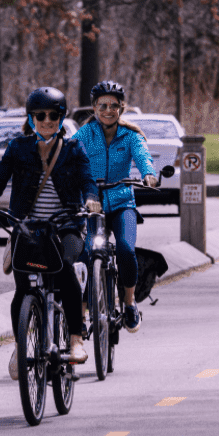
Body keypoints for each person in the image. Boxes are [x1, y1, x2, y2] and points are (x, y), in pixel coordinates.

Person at [0, 87, 99, 379]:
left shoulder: (73, 149)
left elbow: (87, 180)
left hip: (65, 225)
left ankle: (76, 340)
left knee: (65, 268)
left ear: (61, 118)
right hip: (27, 228)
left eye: (53, 116)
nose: (46, 121)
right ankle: (20, 344)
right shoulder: (18, 148)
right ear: (30, 118)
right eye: (39, 116)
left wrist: (91, 199)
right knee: (24, 289)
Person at [73, 80, 157, 333]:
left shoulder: (131, 135)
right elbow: (70, 157)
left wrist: (149, 174)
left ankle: (129, 304)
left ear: (122, 107)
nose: (108, 110)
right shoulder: (84, 134)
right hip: (92, 205)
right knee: (86, 253)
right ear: (94, 107)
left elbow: (143, 156)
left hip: (122, 203)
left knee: (125, 250)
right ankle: (86, 308)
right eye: (102, 105)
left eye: (113, 105)